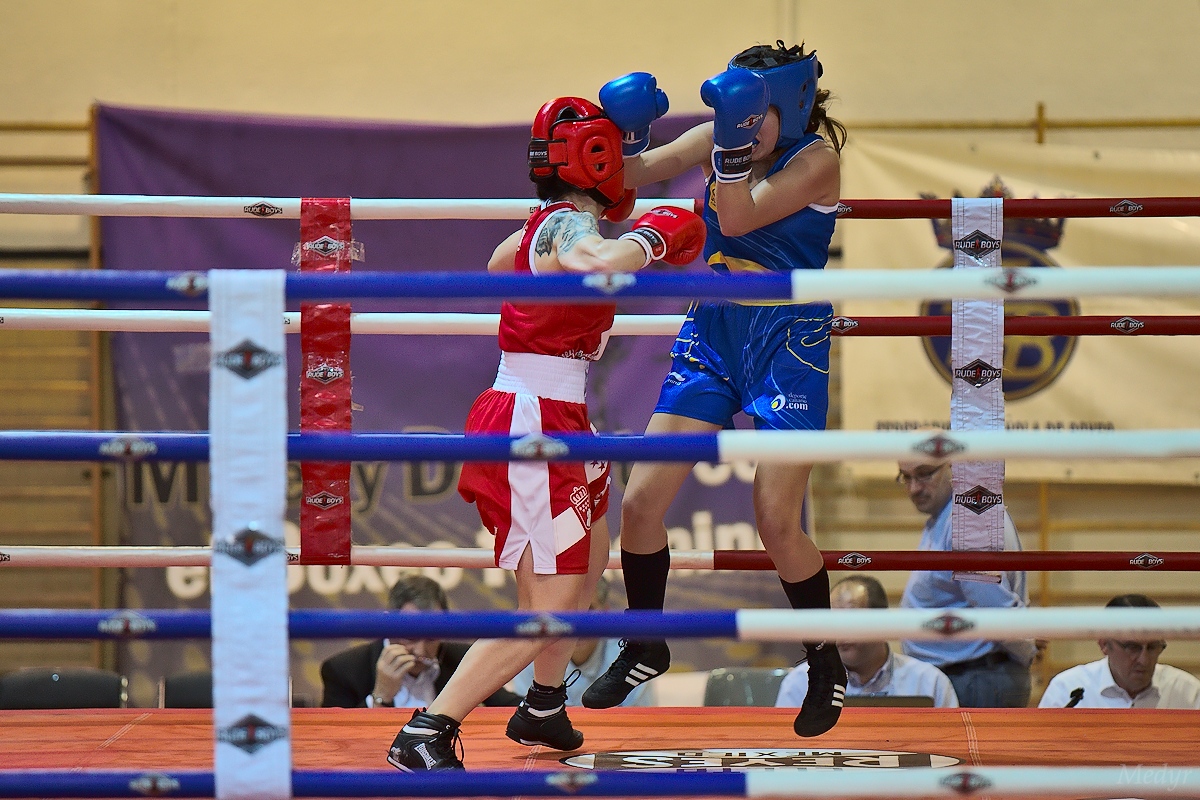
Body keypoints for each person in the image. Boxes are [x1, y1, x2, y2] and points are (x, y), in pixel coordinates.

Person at [385, 96, 706, 771]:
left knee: (588, 561)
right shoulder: (566, 225)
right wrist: (653, 233)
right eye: (621, 156)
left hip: (557, 412)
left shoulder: (547, 223)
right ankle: (428, 728)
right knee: (550, 607)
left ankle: (544, 703)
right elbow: (602, 265)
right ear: (598, 163)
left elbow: (501, 263)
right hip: (533, 417)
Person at [580, 41, 851, 738]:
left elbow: (735, 219)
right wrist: (625, 134)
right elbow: (630, 178)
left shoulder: (816, 160)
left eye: (756, 115)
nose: (745, 126)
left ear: (788, 108)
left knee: (776, 520)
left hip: (789, 342)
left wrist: (727, 146)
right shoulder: (719, 135)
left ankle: (824, 661)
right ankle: (645, 643)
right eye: (740, 114)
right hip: (713, 329)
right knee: (640, 503)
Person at [896, 456, 1035, 707]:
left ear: (954, 467)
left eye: (925, 473)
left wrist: (1028, 648)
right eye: (906, 477)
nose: (914, 488)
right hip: (969, 676)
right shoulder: (949, 516)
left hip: (976, 679)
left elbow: (997, 611)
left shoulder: (967, 520)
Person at [320, 574, 520, 709]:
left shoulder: (463, 659)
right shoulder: (343, 670)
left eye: (432, 636)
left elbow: (510, 706)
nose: (421, 651)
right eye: (411, 635)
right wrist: (380, 697)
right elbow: (331, 741)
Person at [775, 575, 959, 708]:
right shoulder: (799, 683)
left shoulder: (929, 682)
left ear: (884, 623)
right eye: (833, 622)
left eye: (851, 621)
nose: (839, 633)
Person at [509, 575, 651, 707]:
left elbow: (639, 722)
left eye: (589, 610)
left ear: (605, 613)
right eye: (568, 612)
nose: (578, 624)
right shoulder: (531, 655)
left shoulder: (630, 655)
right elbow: (527, 719)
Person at [1039, 594, 1200, 709]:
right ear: (1104, 644)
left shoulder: (1188, 693)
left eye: (1152, 647)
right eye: (1132, 648)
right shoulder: (1066, 690)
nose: (1144, 660)